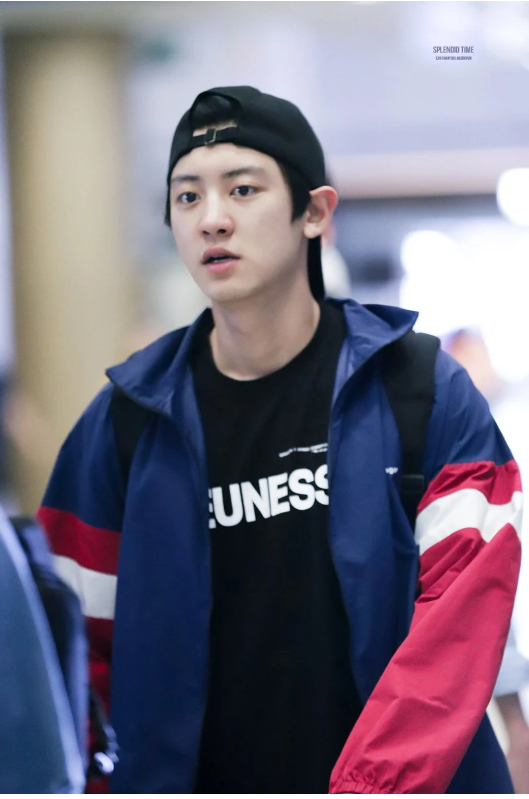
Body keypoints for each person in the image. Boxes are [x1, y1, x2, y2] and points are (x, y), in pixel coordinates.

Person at [37, 86, 522, 794]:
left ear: (314, 212)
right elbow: (70, 659)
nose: (212, 218)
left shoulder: (421, 391)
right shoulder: (121, 425)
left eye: (242, 189)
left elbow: (460, 629)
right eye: (187, 197)